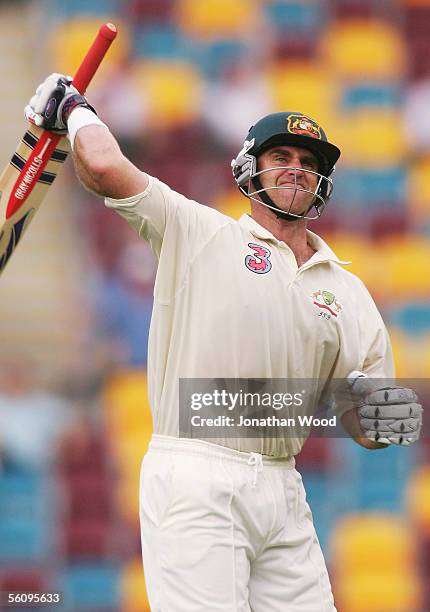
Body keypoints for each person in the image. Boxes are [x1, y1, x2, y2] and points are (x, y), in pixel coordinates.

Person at [25, 75, 423, 612]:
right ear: (248, 169)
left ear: (323, 182)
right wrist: (75, 110)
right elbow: (103, 168)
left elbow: (362, 418)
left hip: (283, 487)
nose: (296, 168)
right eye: (279, 155)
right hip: (197, 474)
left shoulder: (347, 292)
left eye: (309, 161)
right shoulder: (199, 232)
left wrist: (383, 422)